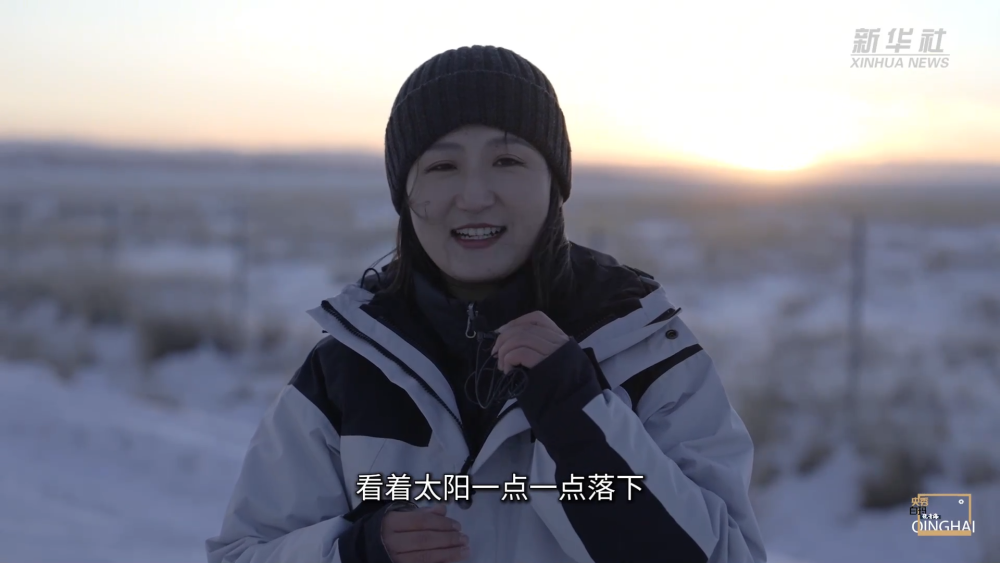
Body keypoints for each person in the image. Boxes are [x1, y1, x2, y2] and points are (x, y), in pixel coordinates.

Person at [206, 45, 767, 563]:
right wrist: (357, 552)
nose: (474, 197)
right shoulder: (346, 371)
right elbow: (242, 554)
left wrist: (579, 413)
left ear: (555, 183)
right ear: (405, 194)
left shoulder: (644, 355)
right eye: (442, 167)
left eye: (507, 161)